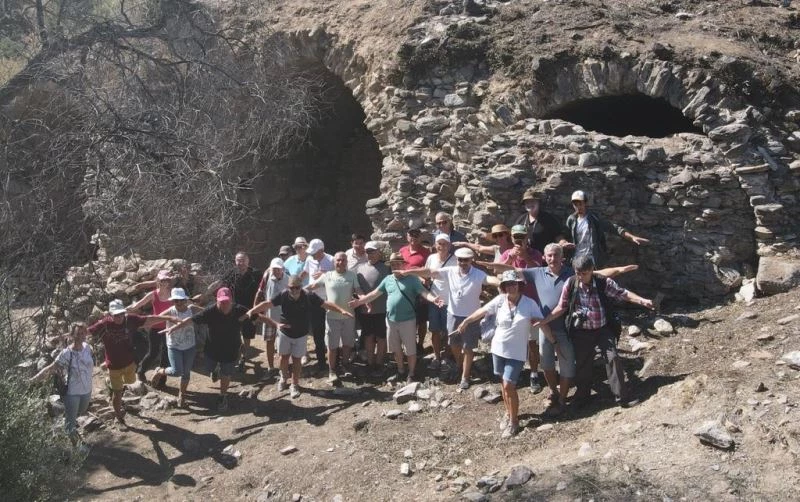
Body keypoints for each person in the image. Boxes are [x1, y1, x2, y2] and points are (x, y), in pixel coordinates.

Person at [535, 255, 654, 408]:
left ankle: (622, 398)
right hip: (582, 332)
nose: (580, 276)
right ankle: (583, 397)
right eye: (578, 272)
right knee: (583, 364)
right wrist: (544, 321)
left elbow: (623, 293)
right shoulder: (571, 283)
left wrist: (642, 300)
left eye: (584, 273)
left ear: (591, 270)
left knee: (613, 358)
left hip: (603, 329)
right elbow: (562, 306)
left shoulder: (603, 282)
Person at [455, 271, 550, 437]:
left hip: (517, 353)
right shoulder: (499, 300)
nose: (511, 286)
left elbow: (542, 323)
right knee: (503, 382)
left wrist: (554, 342)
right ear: (504, 287)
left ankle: (514, 422)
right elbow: (482, 311)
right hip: (498, 349)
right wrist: (466, 321)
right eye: (507, 284)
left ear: (519, 285)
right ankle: (508, 412)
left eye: (514, 283)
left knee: (508, 385)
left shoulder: (529, 303)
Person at [399, 247, 496, 389]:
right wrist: (408, 272)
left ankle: (465, 376)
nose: (462, 263)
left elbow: (489, 279)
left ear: (471, 260)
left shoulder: (478, 274)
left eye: (466, 260)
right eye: (460, 260)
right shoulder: (450, 271)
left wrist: (502, 282)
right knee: (453, 344)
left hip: (472, 316)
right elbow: (429, 272)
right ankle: (460, 364)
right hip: (453, 313)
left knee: (468, 347)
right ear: (457, 260)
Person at [248, 276, 354, 399]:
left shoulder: (309, 295)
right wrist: (253, 311)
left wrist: (341, 310)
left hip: (301, 334)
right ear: (288, 287)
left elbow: (326, 304)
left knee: (297, 360)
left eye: (297, 287)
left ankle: (294, 384)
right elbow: (267, 303)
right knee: (283, 358)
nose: (294, 290)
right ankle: (283, 377)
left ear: (301, 287)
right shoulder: (283, 295)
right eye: (292, 288)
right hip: (285, 332)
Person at [350, 253, 443, 383]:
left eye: (398, 263)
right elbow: (374, 294)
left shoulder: (412, 279)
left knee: (410, 349)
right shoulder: (388, 279)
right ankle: (400, 370)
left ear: (404, 265)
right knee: (396, 349)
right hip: (391, 321)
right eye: (393, 264)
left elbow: (423, 292)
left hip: (408, 320)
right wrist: (360, 302)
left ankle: (411, 373)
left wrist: (433, 299)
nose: (395, 266)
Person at [165, 287, 253, 412]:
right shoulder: (210, 311)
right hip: (212, 349)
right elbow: (192, 320)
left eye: (227, 301)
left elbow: (256, 314)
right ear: (217, 300)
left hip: (231, 349)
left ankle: (223, 396)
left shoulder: (240, 310)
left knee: (226, 373)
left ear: (231, 300)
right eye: (221, 301)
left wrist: (275, 324)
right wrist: (175, 327)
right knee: (208, 368)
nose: (224, 304)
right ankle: (215, 369)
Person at [88, 299, 167, 427]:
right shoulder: (104, 323)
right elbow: (87, 331)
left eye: (120, 314)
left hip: (129, 363)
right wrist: (69, 337)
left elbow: (149, 319)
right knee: (118, 393)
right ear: (110, 314)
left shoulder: (130, 319)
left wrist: (169, 317)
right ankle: (119, 418)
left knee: (130, 382)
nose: (118, 317)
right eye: (115, 315)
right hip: (113, 365)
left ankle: (112, 384)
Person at [30, 322, 94, 444]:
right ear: (72, 335)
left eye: (83, 333)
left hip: (87, 389)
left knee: (80, 411)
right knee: (71, 421)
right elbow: (51, 368)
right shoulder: (66, 353)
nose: (81, 336)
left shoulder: (87, 347)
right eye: (77, 333)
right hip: (72, 392)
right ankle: (75, 447)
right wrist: (33, 380)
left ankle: (69, 420)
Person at [499, 224, 545, 392]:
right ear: (511, 238)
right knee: (512, 341)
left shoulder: (535, 254)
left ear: (527, 238)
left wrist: (525, 257)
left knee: (532, 342)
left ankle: (534, 373)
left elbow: (540, 273)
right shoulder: (506, 254)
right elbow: (499, 275)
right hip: (511, 306)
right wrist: (510, 260)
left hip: (531, 303)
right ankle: (513, 373)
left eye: (522, 237)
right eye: (516, 237)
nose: (519, 240)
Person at [308, 251, 362, 384]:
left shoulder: (352, 275)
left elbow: (358, 291)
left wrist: (364, 300)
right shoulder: (327, 276)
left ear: (346, 262)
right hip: (331, 317)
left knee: (347, 344)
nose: (340, 262)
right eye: (338, 260)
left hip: (349, 316)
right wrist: (295, 290)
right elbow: (312, 287)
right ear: (334, 262)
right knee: (332, 346)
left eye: (343, 260)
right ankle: (332, 370)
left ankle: (345, 365)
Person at [561, 190, 649, 267]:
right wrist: (563, 243)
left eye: (580, 204)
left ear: (585, 203)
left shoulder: (594, 218)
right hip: (576, 259)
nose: (578, 207)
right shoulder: (571, 220)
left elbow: (613, 227)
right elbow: (563, 235)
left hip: (592, 260)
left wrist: (631, 237)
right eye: (575, 204)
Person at [207, 252, 262, 373]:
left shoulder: (256, 274)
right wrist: (208, 291)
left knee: (247, 335)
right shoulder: (232, 273)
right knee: (232, 335)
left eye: (243, 260)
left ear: (248, 261)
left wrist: (258, 311)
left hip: (249, 310)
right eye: (238, 260)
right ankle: (232, 357)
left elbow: (262, 292)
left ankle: (244, 357)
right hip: (233, 310)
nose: (240, 263)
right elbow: (220, 283)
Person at [150, 288, 204, 407]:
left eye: (180, 300)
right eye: (175, 301)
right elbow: (155, 318)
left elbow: (207, 313)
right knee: (176, 371)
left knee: (186, 373)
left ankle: (182, 396)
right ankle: (160, 371)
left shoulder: (192, 309)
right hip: (174, 346)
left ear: (185, 300)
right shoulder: (170, 311)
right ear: (172, 301)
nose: (178, 303)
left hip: (190, 346)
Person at [127, 269, 174, 383]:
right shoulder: (153, 295)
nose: (165, 282)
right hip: (155, 327)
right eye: (162, 280)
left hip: (169, 328)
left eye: (167, 280)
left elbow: (184, 304)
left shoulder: (174, 294)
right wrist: (123, 311)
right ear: (158, 281)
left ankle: (161, 379)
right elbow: (138, 305)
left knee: (166, 353)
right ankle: (141, 371)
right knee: (153, 352)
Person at [353, 241, 391, 376]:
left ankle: (380, 362)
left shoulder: (387, 268)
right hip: (365, 310)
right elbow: (356, 287)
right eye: (368, 252)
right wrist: (363, 301)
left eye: (373, 251)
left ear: (379, 252)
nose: (370, 254)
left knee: (381, 336)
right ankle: (370, 362)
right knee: (368, 336)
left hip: (382, 309)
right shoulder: (360, 268)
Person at [423, 233, 456, 371]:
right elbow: (425, 274)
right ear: (435, 245)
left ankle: (447, 357)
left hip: (450, 301)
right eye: (439, 243)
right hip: (435, 300)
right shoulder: (431, 258)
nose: (442, 246)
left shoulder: (455, 260)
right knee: (435, 330)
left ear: (449, 245)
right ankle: (437, 357)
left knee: (448, 331)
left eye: (444, 243)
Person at [302, 238, 335, 372]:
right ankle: (321, 362)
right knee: (317, 331)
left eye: (315, 252)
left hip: (328, 299)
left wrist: (325, 274)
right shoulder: (309, 259)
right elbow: (305, 273)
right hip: (313, 299)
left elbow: (339, 275)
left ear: (321, 250)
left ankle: (334, 362)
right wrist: (296, 282)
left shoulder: (332, 260)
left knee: (332, 330)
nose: (312, 255)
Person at [399, 228, 431, 355]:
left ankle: (420, 344)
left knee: (422, 319)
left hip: (420, 290)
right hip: (406, 289)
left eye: (416, 235)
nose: (414, 238)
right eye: (411, 235)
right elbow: (399, 267)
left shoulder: (425, 252)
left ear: (420, 237)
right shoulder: (402, 251)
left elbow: (428, 269)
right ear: (407, 236)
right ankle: (409, 343)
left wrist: (422, 277)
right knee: (408, 319)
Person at [254, 258, 289, 374]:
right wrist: (255, 309)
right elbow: (259, 292)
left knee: (282, 343)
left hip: (284, 317)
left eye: (278, 269)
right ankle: (270, 367)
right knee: (269, 341)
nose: (276, 271)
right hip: (269, 316)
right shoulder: (267, 275)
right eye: (274, 269)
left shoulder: (288, 279)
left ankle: (282, 367)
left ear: (282, 269)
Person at [514, 189, 567, 254]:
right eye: (527, 202)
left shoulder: (548, 219)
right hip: (525, 258)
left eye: (532, 201)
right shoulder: (520, 220)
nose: (530, 204)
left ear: (538, 203)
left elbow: (558, 236)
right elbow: (513, 238)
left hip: (544, 259)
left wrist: (563, 243)